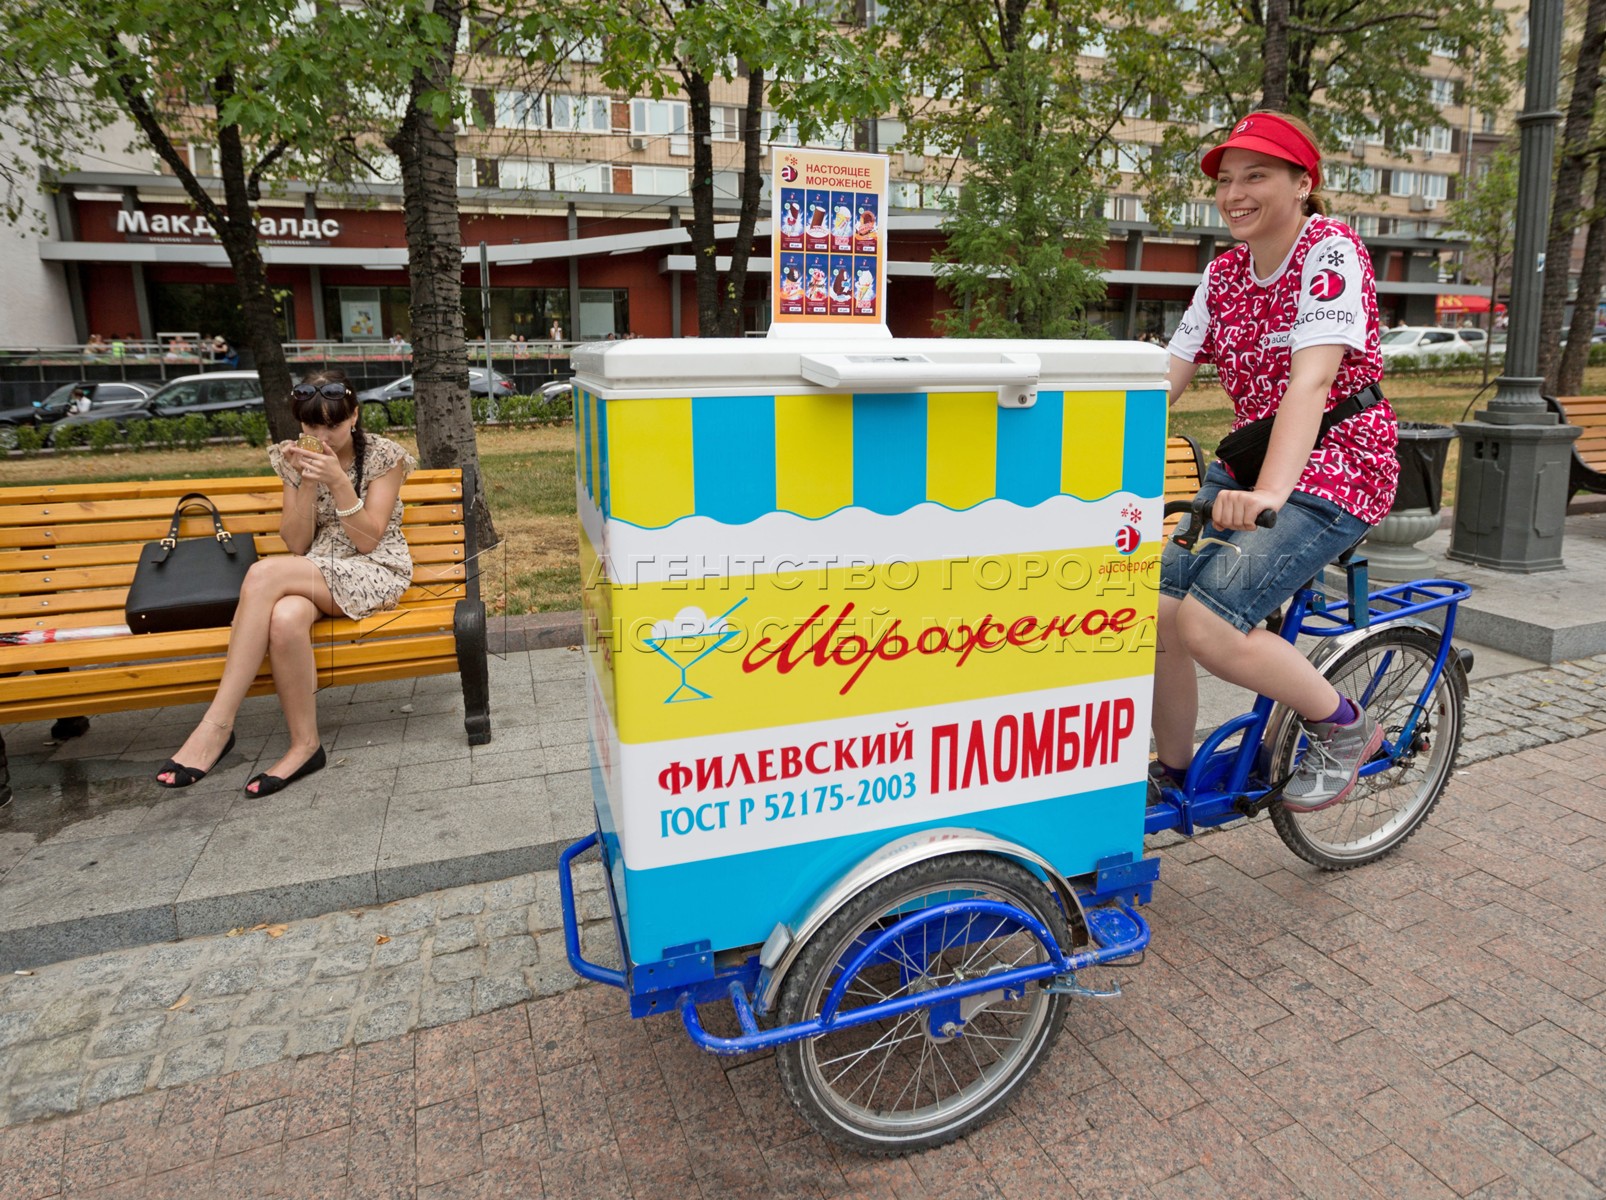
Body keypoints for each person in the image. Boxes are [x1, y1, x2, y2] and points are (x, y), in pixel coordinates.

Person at [1158, 110, 1398, 812]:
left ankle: (1344, 728)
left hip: (1340, 464)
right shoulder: (1223, 273)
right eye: (1226, 180)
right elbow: (1161, 381)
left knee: (1209, 622)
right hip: (1256, 463)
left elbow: (1312, 382)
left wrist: (1266, 495)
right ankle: (1174, 773)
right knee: (1155, 608)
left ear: (1303, 183)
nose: (1234, 193)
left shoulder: (1329, 250)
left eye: (1255, 175)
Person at [154, 369, 416, 796]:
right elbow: (296, 542)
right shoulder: (294, 459)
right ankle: (305, 745)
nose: (323, 435)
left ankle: (217, 724)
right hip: (315, 567)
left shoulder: (385, 457)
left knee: (262, 573)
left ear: (354, 416)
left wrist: (336, 480)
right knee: (285, 617)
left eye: (333, 424)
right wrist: (308, 482)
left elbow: (369, 541)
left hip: (376, 570)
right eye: (313, 425)